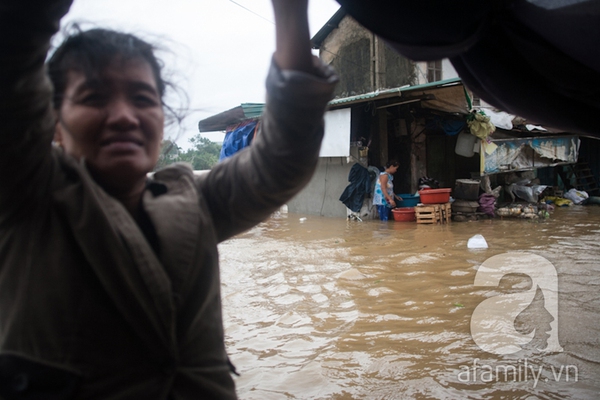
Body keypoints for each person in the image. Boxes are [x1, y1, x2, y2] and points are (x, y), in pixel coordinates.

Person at [0, 0, 337, 398]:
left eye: (143, 99)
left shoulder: (194, 198)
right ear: (54, 123)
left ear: (162, 122)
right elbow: (13, 50)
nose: (125, 115)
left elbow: (281, 160)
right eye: (94, 98)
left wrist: (290, 11)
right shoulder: (24, 192)